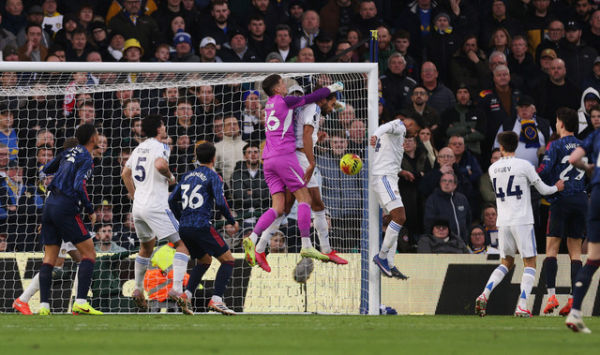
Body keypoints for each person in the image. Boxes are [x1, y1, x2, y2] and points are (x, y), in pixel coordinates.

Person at [242, 74, 343, 267]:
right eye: (282, 83)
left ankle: (255, 240)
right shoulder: (286, 102)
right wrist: (333, 87)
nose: (285, 85)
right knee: (306, 199)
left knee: (279, 207)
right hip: (286, 157)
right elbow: (313, 99)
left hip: (268, 159)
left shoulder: (269, 106)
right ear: (276, 89)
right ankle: (307, 244)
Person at [475, 131, 564, 318]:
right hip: (522, 220)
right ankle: (522, 305)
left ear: (501, 147)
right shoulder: (524, 165)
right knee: (530, 263)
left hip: (503, 221)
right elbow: (544, 190)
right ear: (517, 146)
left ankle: (484, 293)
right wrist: (558, 187)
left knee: (506, 262)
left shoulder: (493, 168)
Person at [121, 115, 191, 314]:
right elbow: (160, 165)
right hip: (156, 206)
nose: (165, 128)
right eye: (163, 125)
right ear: (159, 128)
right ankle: (177, 290)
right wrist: (170, 177)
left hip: (139, 208)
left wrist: (135, 196)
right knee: (182, 245)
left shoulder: (138, 148)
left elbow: (125, 174)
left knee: (146, 247)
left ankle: (137, 288)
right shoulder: (161, 146)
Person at [37, 124, 102, 315]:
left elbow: (47, 168)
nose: (99, 136)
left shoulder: (68, 152)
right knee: (89, 254)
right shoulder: (87, 158)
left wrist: (63, 173)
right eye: (97, 133)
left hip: (49, 205)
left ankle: (43, 307)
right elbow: (79, 185)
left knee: (49, 257)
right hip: (65, 206)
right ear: (92, 138)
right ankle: (81, 302)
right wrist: (90, 210)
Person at [169, 142, 239, 315]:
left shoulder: (187, 175)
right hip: (201, 225)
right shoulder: (213, 176)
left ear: (197, 158)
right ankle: (217, 299)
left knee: (205, 260)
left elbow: (171, 200)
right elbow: (221, 202)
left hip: (185, 227)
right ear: (213, 158)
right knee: (228, 260)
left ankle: (186, 295)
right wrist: (231, 220)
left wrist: (181, 218)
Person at [538, 107, 587, 316]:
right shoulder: (586, 145)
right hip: (582, 199)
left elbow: (544, 171)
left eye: (557, 122)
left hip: (561, 198)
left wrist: (535, 178)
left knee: (552, 249)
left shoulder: (555, 145)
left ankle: (551, 297)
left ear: (561, 123)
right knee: (575, 253)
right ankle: (573, 302)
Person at [565, 111, 600, 333]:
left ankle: (575, 312)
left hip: (596, 195)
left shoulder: (595, 136)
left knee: (594, 259)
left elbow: (573, 159)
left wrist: (589, 168)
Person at [369, 116, 409, 279]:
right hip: (384, 178)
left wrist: (401, 170)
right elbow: (388, 125)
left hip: (388, 177)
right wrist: (375, 135)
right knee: (400, 217)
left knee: (394, 221)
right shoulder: (400, 126)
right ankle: (382, 257)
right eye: (411, 123)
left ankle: (390, 263)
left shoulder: (395, 139)